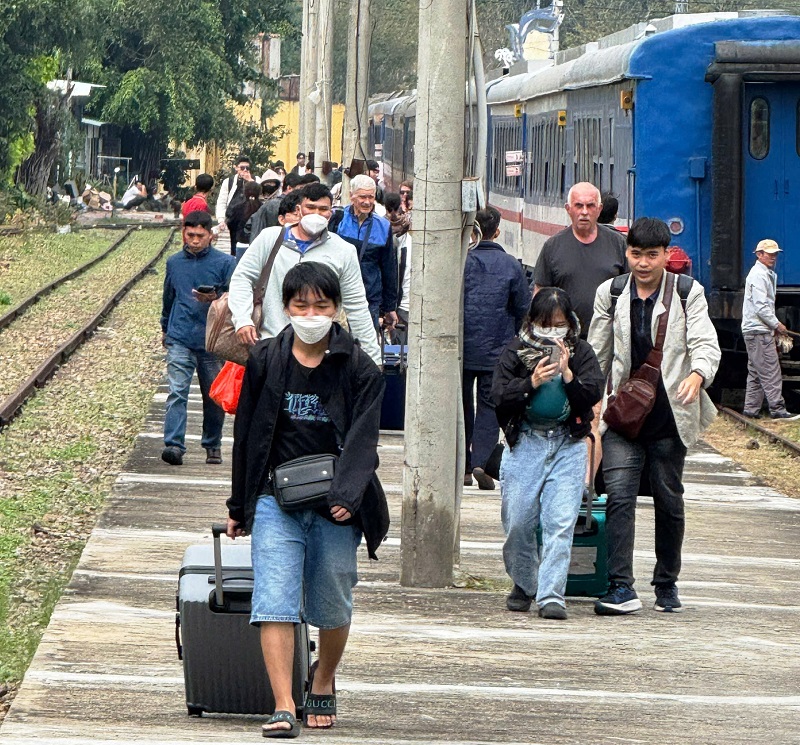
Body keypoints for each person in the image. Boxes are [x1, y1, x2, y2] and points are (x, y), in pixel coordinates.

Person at [226, 262, 389, 737]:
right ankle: (283, 703)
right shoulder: (266, 360)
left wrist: (347, 495)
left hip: (335, 504)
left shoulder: (358, 366)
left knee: (332, 601)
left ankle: (323, 677)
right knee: (273, 598)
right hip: (277, 499)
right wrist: (241, 505)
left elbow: (364, 439)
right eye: (301, 305)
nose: (312, 313)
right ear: (285, 308)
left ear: (336, 309)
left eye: (321, 305)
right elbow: (248, 434)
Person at [588, 217, 721, 615]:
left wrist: (698, 374)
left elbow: (704, 341)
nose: (643, 263)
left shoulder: (687, 292)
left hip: (669, 416)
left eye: (651, 255)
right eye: (635, 254)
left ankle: (666, 582)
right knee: (619, 497)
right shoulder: (610, 294)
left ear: (666, 255)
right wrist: (591, 404)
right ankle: (620, 585)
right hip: (623, 417)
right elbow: (597, 352)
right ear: (626, 254)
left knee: (669, 499)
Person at [492, 288, 604, 619]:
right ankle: (525, 582)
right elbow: (498, 396)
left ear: (569, 324)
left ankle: (552, 593)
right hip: (526, 441)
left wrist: (568, 376)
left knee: (560, 520)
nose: (552, 331)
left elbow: (591, 396)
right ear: (532, 323)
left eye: (558, 324)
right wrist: (531, 382)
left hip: (567, 444)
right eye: (545, 324)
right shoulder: (515, 351)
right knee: (519, 521)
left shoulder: (582, 352)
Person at [534, 182, 627, 493]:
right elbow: (541, 297)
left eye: (590, 206)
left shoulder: (616, 245)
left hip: (607, 345)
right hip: (565, 345)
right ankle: (566, 480)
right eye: (579, 206)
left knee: (597, 412)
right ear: (568, 210)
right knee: (563, 411)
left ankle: (588, 484)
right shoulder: (553, 247)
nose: (584, 212)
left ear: (600, 210)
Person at [228, 183, 381, 365]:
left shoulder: (343, 251)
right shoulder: (270, 239)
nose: (316, 213)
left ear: (330, 213)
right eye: (311, 207)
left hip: (322, 354)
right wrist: (243, 319)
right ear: (299, 210)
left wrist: (373, 358)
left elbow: (357, 306)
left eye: (323, 209)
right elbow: (242, 278)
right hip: (272, 346)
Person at [160, 211, 236, 466]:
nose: (194, 240)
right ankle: (174, 444)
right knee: (177, 391)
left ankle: (212, 443)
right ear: (184, 233)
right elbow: (168, 297)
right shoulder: (174, 262)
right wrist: (165, 328)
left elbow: (234, 298)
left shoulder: (225, 263)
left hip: (212, 340)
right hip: (180, 335)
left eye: (199, 236)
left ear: (210, 235)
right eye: (190, 235)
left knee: (213, 395)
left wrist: (215, 298)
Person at [463, 206, 530, 489]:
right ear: (497, 231)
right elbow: (522, 310)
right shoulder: (512, 265)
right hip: (497, 350)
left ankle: (464, 468)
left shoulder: (461, 261)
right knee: (490, 406)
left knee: (462, 406)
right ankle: (482, 461)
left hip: (462, 349)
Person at [329, 174, 398, 331]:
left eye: (371, 197)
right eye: (362, 197)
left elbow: (388, 268)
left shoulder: (383, 226)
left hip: (368, 300)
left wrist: (389, 306)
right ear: (351, 196)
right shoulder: (337, 219)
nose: (367, 202)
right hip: (338, 297)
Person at [741, 239, 798, 419]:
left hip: (755, 329)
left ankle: (750, 410)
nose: (773, 257)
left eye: (775, 254)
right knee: (771, 369)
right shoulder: (759, 275)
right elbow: (761, 306)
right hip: (758, 331)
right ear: (759, 254)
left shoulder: (763, 273)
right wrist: (777, 325)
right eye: (769, 253)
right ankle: (778, 409)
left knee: (756, 371)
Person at [215, 155, 256, 233]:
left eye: (247, 168)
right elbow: (221, 201)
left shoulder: (256, 180)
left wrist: (250, 181)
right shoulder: (228, 182)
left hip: (249, 221)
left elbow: (259, 195)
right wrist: (221, 219)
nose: (245, 170)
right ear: (236, 168)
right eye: (242, 168)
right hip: (231, 220)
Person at [227, 181, 263, 260]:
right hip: (259, 245)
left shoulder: (237, 208)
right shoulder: (263, 208)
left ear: (244, 192)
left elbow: (231, 226)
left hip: (240, 244)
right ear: (259, 192)